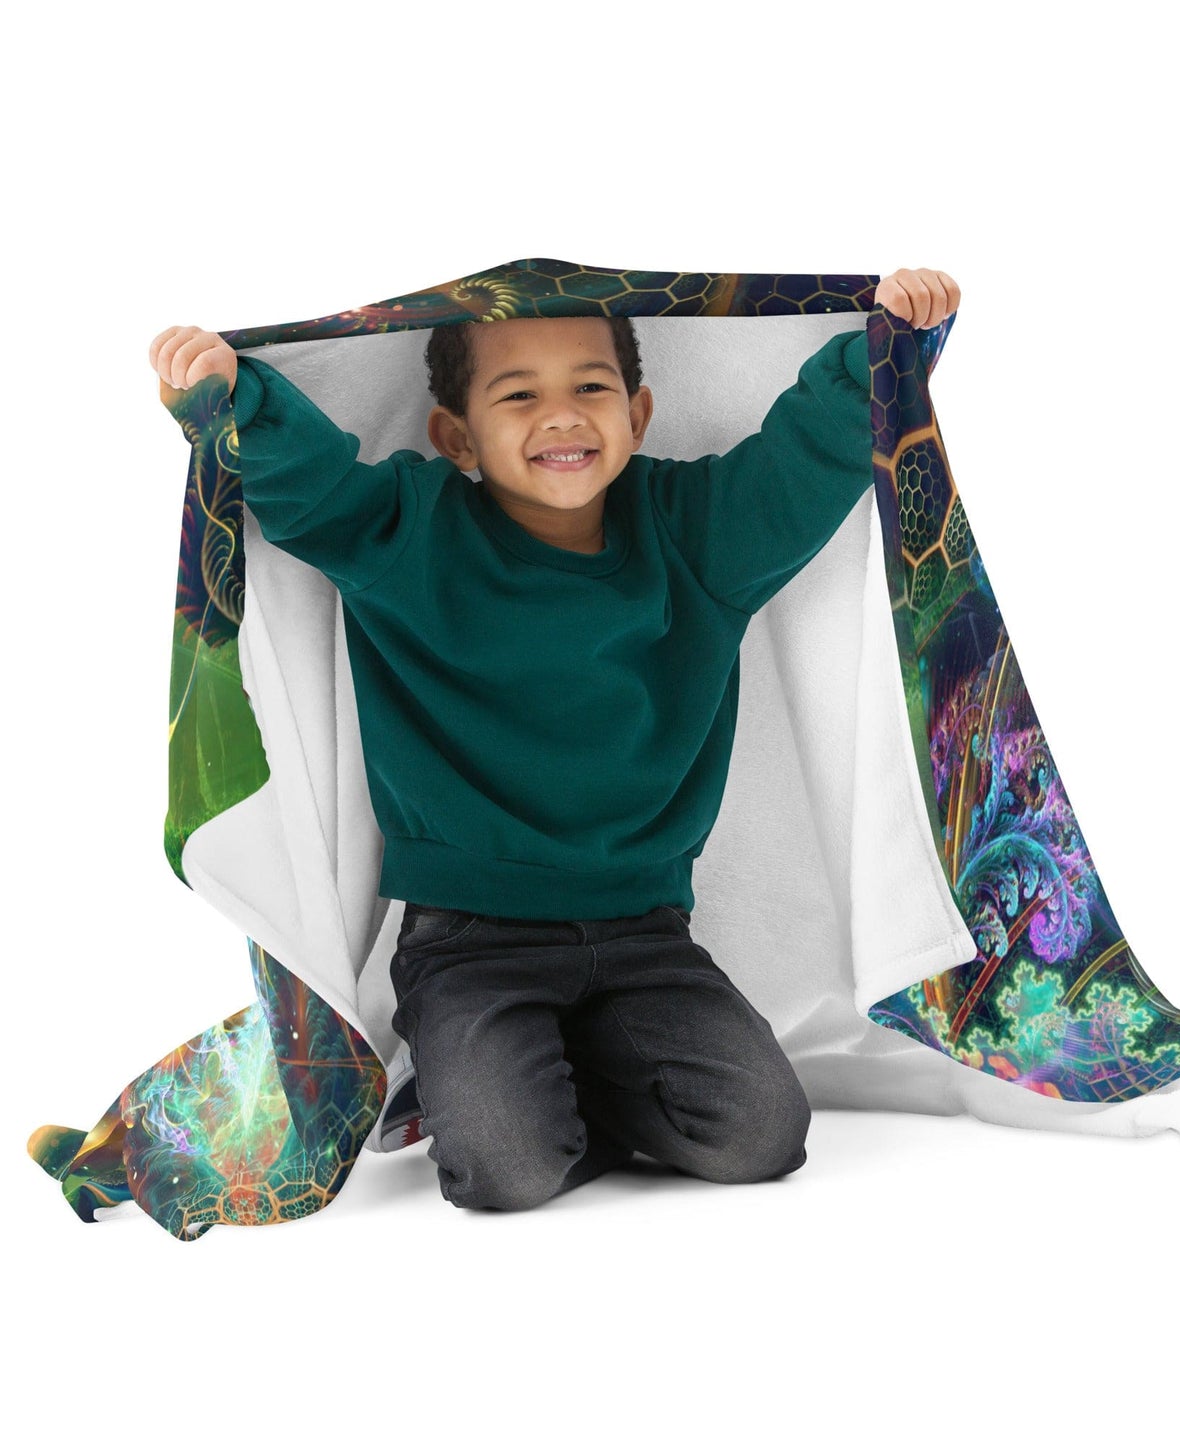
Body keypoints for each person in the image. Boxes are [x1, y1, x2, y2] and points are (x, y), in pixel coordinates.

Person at [148, 266, 962, 1212]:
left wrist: (883, 352)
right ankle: (480, 1080)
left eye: (590, 386)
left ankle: (558, 1072)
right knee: (508, 1169)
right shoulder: (410, 535)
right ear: (456, 436)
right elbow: (311, 488)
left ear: (638, 415)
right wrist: (229, 399)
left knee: (761, 1134)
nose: (562, 415)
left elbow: (803, 465)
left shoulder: (695, 533)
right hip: (468, 941)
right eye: (518, 396)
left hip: (644, 933)